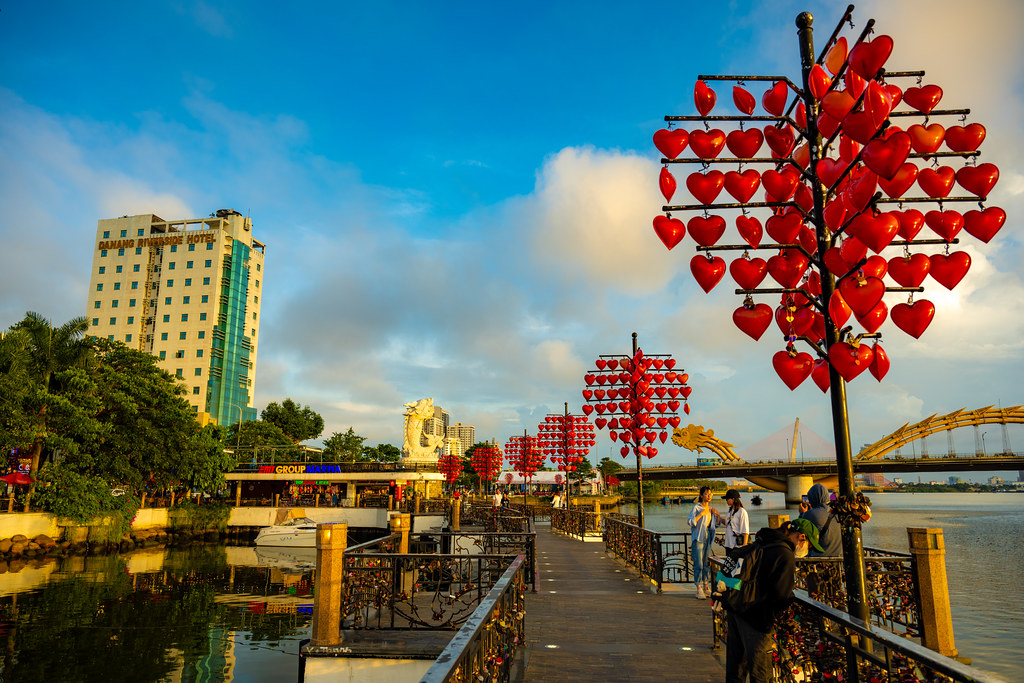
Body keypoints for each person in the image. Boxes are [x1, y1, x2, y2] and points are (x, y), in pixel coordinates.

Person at [723, 518, 823, 683]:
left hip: (737, 608)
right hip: (757, 617)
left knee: (736, 672)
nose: (807, 549)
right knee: (761, 675)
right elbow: (781, 594)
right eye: (809, 545)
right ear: (801, 537)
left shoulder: (763, 542)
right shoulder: (785, 554)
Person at [688, 485, 719, 599]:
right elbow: (690, 521)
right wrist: (701, 514)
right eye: (706, 494)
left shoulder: (710, 509)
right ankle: (698, 587)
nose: (709, 496)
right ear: (701, 496)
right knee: (699, 563)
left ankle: (706, 586)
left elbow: (714, 525)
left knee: (706, 562)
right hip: (698, 537)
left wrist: (717, 515)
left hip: (708, 537)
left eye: (710, 494)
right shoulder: (697, 508)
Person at [798, 483, 842, 557]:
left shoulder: (810, 514)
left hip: (818, 559)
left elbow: (799, 532)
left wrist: (802, 514)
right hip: (839, 558)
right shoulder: (837, 512)